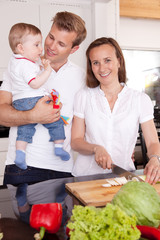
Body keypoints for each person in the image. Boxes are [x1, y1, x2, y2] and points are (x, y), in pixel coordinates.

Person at [0, 11, 87, 185]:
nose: (51, 46)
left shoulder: (82, 77)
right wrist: (32, 116)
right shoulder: (20, 66)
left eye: (61, 43)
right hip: (23, 169)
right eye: (51, 37)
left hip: (63, 170)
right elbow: (1, 112)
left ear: (74, 49)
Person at [71, 37, 160, 185]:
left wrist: (154, 159)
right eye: (95, 63)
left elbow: (152, 142)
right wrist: (96, 148)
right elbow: (75, 141)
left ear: (119, 61)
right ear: (91, 67)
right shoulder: (83, 96)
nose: (102, 68)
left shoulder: (139, 99)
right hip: (85, 178)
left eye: (107, 60)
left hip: (123, 178)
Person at [8, 23, 70, 170]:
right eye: (36, 45)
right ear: (21, 48)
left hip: (20, 102)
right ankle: (59, 147)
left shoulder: (16, 61)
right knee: (56, 121)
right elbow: (34, 83)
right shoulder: (25, 65)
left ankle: (20, 153)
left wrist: (39, 65)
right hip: (32, 99)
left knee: (25, 129)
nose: (41, 49)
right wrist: (47, 70)